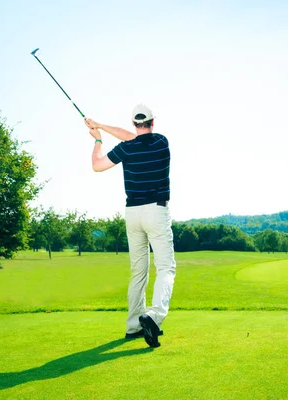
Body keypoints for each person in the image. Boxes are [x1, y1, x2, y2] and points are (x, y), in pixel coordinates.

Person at [85, 104, 176, 348]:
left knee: (138, 271)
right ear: (152, 123)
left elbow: (98, 165)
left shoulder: (127, 148)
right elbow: (134, 137)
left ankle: (134, 326)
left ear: (135, 124)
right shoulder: (161, 142)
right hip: (156, 211)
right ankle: (154, 317)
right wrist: (101, 125)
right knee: (166, 268)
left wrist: (98, 138)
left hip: (132, 213)